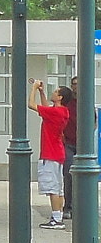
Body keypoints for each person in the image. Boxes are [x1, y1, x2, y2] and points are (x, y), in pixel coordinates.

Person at [32, 80, 74, 227]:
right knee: (58, 187)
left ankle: (56, 219)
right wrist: (41, 92)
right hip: (58, 153)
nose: (53, 92)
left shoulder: (56, 112)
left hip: (50, 153)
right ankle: (58, 216)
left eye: (56, 92)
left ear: (60, 97)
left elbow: (32, 105)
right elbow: (45, 110)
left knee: (52, 188)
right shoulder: (62, 112)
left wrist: (34, 88)